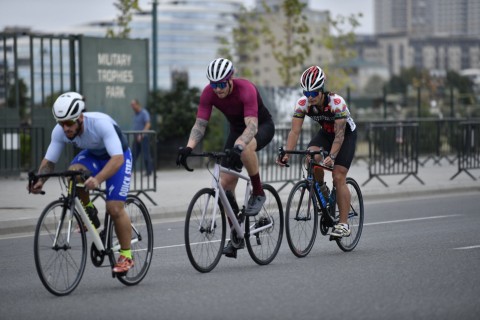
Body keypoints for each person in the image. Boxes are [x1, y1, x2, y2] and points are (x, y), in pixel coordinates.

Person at [176, 57, 275, 257]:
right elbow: (200, 124)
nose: (218, 89)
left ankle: (258, 191)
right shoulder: (208, 93)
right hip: (236, 131)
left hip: (260, 127)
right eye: (214, 84)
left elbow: (252, 126)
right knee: (223, 184)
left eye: (221, 84)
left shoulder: (246, 89)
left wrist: (239, 145)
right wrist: (188, 147)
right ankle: (236, 233)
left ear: (230, 79)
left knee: (246, 148)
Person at [28, 92, 135, 273]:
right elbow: (50, 162)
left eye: (69, 123)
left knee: (114, 208)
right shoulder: (60, 131)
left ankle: (126, 255)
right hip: (94, 155)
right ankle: (89, 211)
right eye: (61, 123)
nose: (65, 128)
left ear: (80, 118)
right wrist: (40, 180)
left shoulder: (100, 125)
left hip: (118, 156)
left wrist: (98, 178)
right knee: (73, 174)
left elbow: (116, 159)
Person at [277, 66, 357, 238]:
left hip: (345, 136)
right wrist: (287, 153)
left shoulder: (336, 102)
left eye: (313, 93)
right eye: (307, 93)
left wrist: (332, 156)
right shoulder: (303, 104)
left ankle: (343, 224)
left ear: (321, 90)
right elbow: (294, 132)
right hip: (325, 134)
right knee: (311, 157)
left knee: (338, 176)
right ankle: (321, 188)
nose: (310, 97)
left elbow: (340, 135)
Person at [131, 99, 153, 176]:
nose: (132, 107)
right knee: (133, 155)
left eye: (133, 105)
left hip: (143, 138)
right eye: (131, 105)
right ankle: (128, 172)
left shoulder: (144, 113)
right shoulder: (136, 114)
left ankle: (149, 171)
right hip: (136, 138)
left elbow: (148, 124)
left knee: (146, 155)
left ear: (138, 104)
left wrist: (142, 134)